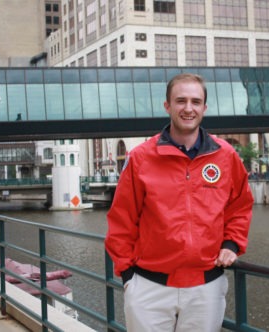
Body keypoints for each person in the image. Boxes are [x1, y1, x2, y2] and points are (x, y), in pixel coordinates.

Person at [105, 73, 254, 331]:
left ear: (204, 108)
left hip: (205, 288)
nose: (188, 108)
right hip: (149, 288)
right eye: (180, 101)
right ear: (167, 106)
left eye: (195, 102)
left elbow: (239, 205)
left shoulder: (226, 156)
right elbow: (122, 219)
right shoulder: (141, 157)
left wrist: (231, 242)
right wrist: (128, 276)